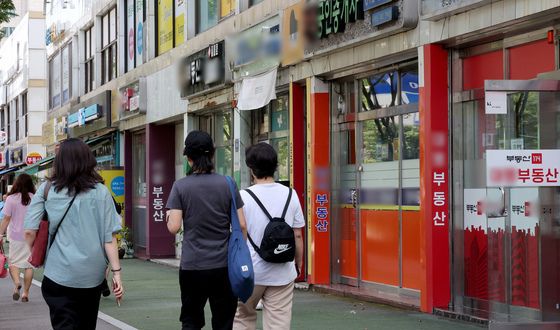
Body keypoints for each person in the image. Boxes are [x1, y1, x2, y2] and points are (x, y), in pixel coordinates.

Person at [24, 138, 124, 330]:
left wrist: (36, 252)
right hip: (92, 276)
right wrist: (117, 273)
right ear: (87, 160)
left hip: (58, 273)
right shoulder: (101, 192)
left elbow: (29, 230)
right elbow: (109, 237)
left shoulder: (46, 190)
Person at [167, 130, 248, 330]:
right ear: (212, 154)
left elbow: (174, 227)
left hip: (192, 266)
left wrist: (169, 216)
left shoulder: (180, 186)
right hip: (223, 266)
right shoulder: (228, 183)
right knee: (223, 322)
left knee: (191, 321)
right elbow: (243, 224)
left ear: (188, 157)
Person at [233, 143, 304, 330]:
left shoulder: (243, 196)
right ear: (275, 166)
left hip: (250, 272)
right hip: (282, 271)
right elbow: (297, 235)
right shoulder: (291, 194)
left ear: (251, 169)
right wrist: (298, 263)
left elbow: (236, 234)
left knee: (242, 319)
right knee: (278, 324)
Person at [0, 174, 36, 302]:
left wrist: (0, 234)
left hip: (15, 237)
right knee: (29, 265)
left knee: (13, 263)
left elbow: (6, 219)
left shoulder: (11, 199)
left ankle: (16, 283)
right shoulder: (35, 198)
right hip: (31, 236)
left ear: (16, 184)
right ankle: (25, 293)